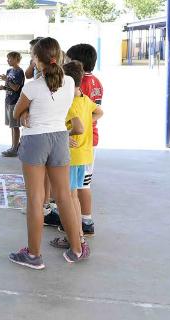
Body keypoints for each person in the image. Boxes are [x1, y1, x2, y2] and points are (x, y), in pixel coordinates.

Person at [9, 37, 89, 270]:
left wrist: (26, 112)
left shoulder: (32, 86)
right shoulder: (70, 81)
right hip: (60, 138)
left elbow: (16, 112)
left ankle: (34, 255)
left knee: (36, 197)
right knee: (63, 195)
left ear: (36, 59)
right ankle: (76, 249)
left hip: (36, 140)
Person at [49, 61, 103, 249]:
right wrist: (87, 121)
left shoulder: (70, 102)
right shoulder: (85, 99)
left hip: (72, 156)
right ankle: (77, 233)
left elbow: (77, 128)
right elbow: (99, 112)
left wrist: (67, 133)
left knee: (69, 197)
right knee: (73, 195)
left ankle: (76, 237)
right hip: (84, 155)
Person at [63, 43, 103, 236]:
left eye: (69, 60)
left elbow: (80, 114)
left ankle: (84, 221)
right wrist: (88, 122)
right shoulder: (96, 81)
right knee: (81, 183)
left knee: (80, 185)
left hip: (80, 142)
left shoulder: (80, 85)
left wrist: (81, 126)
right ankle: (80, 220)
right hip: (89, 139)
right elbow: (97, 111)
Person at [0, 51, 25, 157]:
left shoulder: (19, 72)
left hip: (15, 101)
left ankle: (15, 148)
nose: (8, 61)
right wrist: (3, 87)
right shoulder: (9, 70)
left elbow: (16, 88)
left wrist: (7, 80)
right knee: (11, 126)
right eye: (7, 58)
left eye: (10, 59)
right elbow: (10, 87)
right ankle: (13, 146)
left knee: (15, 126)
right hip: (8, 100)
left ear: (17, 59)